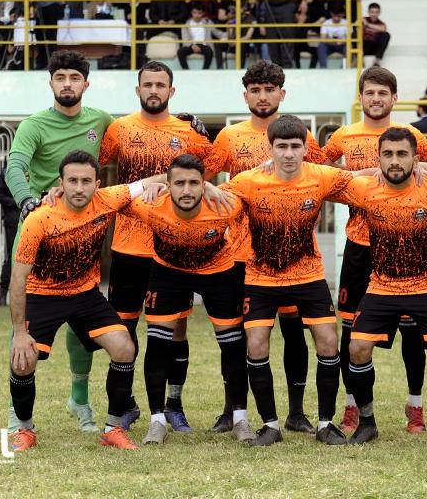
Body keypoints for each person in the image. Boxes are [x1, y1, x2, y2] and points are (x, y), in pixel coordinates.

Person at [7, 150, 162, 452]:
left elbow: (164, 179)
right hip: (42, 295)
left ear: (97, 183)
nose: (79, 188)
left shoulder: (108, 199)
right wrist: (20, 333)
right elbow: (18, 279)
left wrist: (191, 186)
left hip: (84, 294)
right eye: (73, 181)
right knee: (23, 361)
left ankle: (113, 429)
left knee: (124, 347)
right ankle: (25, 430)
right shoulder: (39, 219)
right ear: (60, 183)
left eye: (86, 181)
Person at [203, 60, 325, 435]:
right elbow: (200, 180)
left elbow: (320, 181)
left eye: (269, 90)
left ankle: (296, 412)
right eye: (255, 90)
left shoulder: (301, 135)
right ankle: (233, 409)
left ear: (281, 94)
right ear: (246, 96)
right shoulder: (229, 137)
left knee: (294, 333)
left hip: (292, 258)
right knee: (238, 337)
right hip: (240, 255)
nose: (262, 96)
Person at [322, 67, 427, 435]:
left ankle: (415, 405)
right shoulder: (344, 136)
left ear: (394, 98)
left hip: (405, 246)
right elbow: (321, 173)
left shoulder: (412, 136)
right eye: (370, 93)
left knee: (411, 331)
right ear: (361, 98)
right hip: (360, 246)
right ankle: (353, 406)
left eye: (383, 93)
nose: (376, 99)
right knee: (350, 331)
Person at [223, 115, 354, 446]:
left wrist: (392, 172)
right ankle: (270, 426)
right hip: (261, 276)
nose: (289, 154)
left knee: (328, 340)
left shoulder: (320, 175)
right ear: (270, 149)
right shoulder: (248, 181)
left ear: (306, 148)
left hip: (308, 275)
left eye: (296, 146)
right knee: (255, 343)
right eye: (282, 147)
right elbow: (210, 196)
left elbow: (358, 178)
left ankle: (325, 424)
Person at [97, 61, 212, 433]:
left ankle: (173, 405)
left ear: (171, 91)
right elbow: (92, 167)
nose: (153, 90)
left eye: (160, 85)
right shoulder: (119, 129)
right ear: (138, 90)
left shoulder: (188, 132)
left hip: (174, 246)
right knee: (124, 330)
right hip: (128, 247)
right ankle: (126, 404)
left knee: (176, 329)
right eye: (147, 84)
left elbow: (206, 177)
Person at [4, 51, 114, 434]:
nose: (67, 83)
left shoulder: (101, 121)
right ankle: (17, 413)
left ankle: (79, 399)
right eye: (60, 77)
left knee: (82, 320)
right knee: (22, 319)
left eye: (74, 77)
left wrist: (182, 123)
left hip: (81, 234)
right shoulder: (33, 125)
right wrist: (27, 200)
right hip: (40, 229)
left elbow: (135, 138)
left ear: (86, 83)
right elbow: (15, 166)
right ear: (50, 82)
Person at [336, 128, 427, 446]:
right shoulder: (365, 189)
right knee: (357, 348)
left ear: (415, 159)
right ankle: (367, 422)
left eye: (402, 154)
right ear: (379, 159)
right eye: (388, 155)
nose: (395, 161)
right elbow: (324, 180)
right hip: (383, 286)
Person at [123, 154, 255, 443]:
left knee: (232, 345)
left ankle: (240, 419)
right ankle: (157, 421)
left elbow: (260, 189)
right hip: (168, 272)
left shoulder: (226, 204)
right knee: (158, 343)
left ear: (204, 185)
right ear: (167, 185)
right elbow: (106, 198)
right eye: (179, 183)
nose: (186, 190)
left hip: (218, 272)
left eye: (194, 183)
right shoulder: (149, 204)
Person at [0, 167, 18, 306]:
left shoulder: (34, 169)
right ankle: (3, 296)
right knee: (10, 258)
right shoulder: (6, 172)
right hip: (12, 221)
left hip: (33, 220)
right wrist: (14, 202)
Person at [178, 5, 215, 70]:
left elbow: (216, 32)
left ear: (203, 13)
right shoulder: (186, 24)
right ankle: (186, 72)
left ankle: (204, 71)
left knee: (209, 51)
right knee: (180, 52)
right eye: (194, 13)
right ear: (191, 13)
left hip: (203, 45)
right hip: (190, 45)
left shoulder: (208, 22)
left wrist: (228, 35)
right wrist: (192, 45)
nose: (197, 15)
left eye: (199, 13)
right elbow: (185, 39)